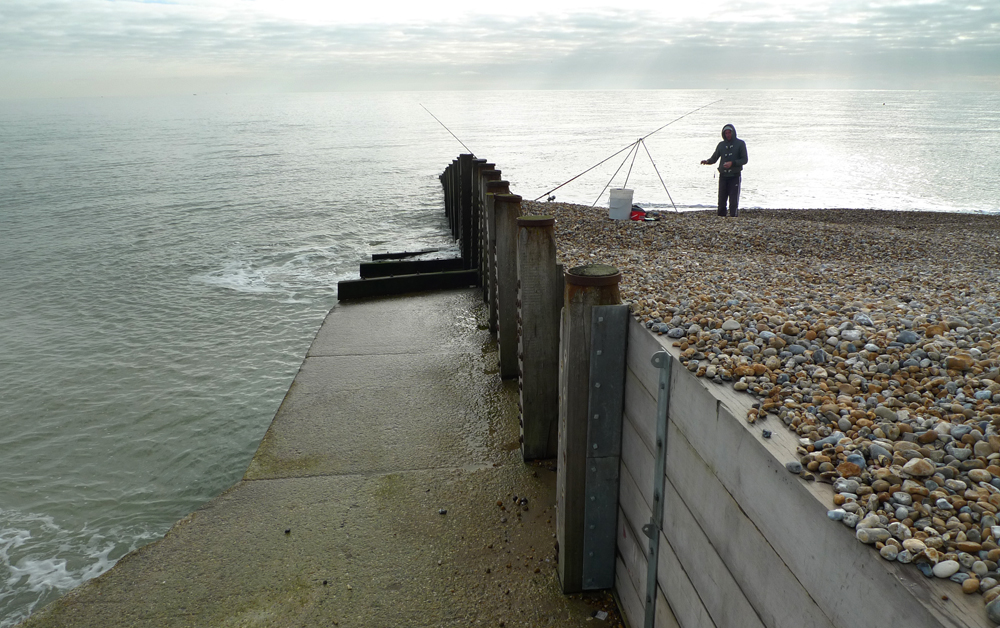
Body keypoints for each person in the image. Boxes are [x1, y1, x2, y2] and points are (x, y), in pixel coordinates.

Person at [701, 124, 748, 217]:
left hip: (735, 176)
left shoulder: (740, 144)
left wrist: (732, 163)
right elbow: (714, 158)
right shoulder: (721, 145)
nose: (728, 135)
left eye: (729, 133)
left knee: (733, 200)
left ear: (733, 133)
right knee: (721, 199)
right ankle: (721, 217)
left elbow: (744, 160)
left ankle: (733, 217)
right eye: (726, 133)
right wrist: (707, 161)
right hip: (723, 176)